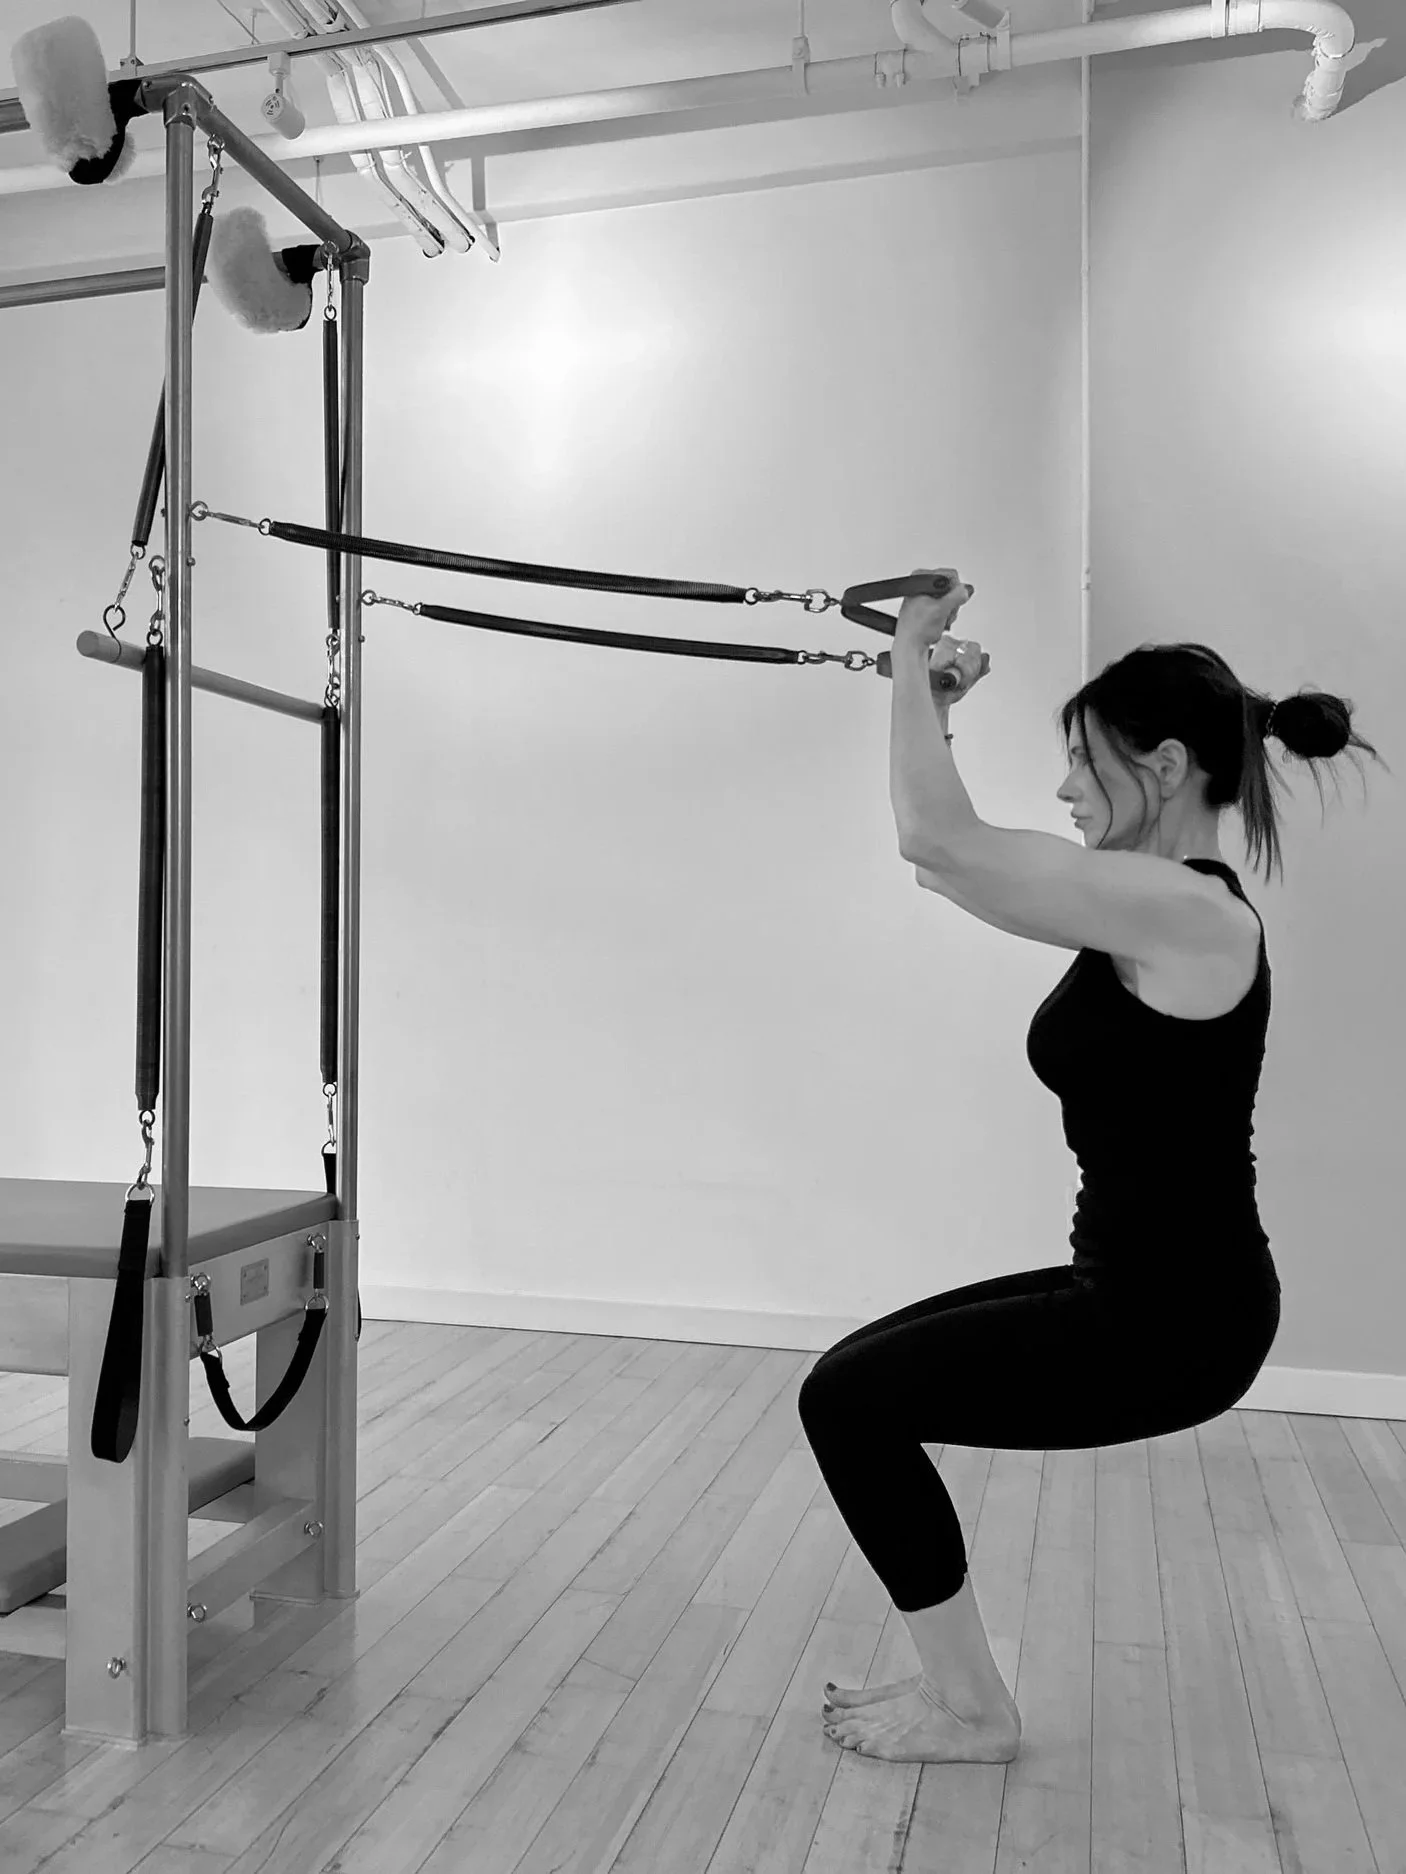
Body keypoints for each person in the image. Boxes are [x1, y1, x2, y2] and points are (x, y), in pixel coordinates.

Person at [797, 569, 1385, 1765]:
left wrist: (908, 659)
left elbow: (936, 837)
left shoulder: (1192, 914)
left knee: (847, 1403)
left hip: (1175, 1322)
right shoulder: (1141, 908)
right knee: (848, 1383)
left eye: (1083, 761)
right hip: (1126, 1288)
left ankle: (969, 1707)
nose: (1064, 789)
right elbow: (942, 863)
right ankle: (966, 1696)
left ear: (1162, 766)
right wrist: (928, 702)